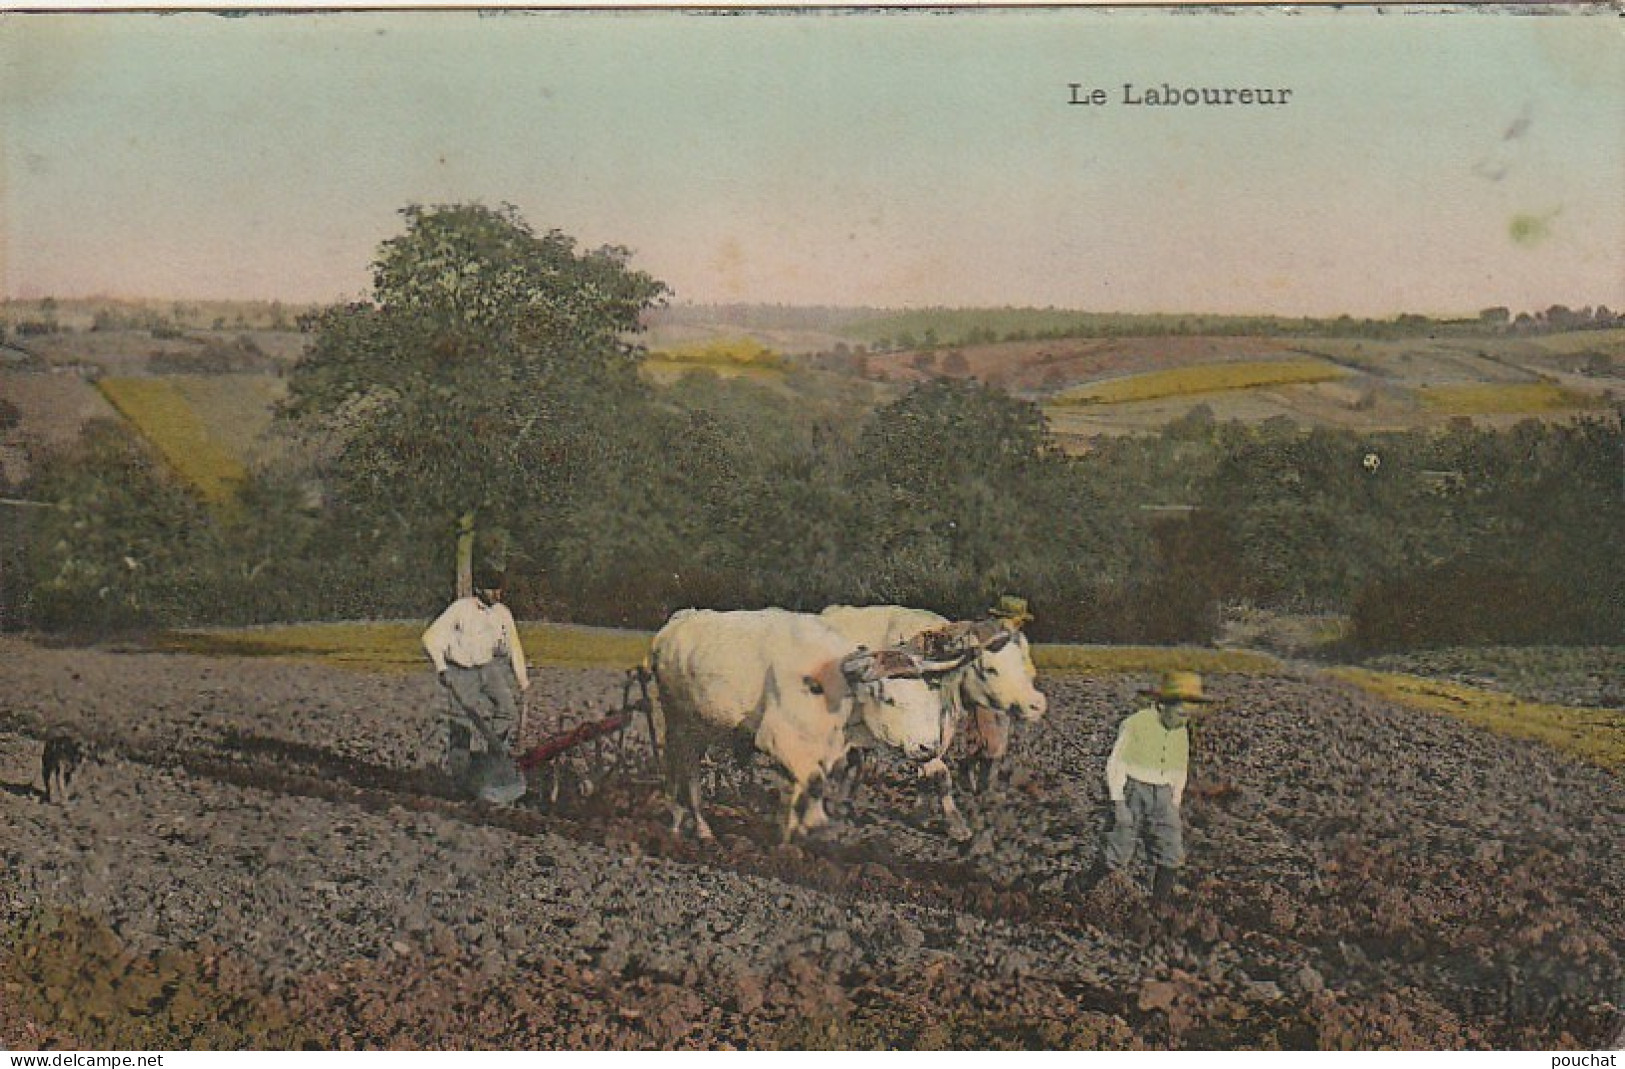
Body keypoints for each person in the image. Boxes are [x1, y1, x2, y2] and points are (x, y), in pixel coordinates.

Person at [1101, 670, 1215, 904]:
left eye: (1188, 714)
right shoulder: (1135, 724)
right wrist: (1118, 802)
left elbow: (1179, 769)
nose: (1184, 719)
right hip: (1133, 790)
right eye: (1180, 712)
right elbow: (1116, 763)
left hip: (1163, 794)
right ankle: (1085, 890)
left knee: (1170, 851)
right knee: (1117, 850)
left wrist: (1174, 802)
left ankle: (1158, 906)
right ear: (1163, 706)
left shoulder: (1181, 730)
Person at [421, 569, 530, 786]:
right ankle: (459, 777)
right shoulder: (460, 609)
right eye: (492, 590)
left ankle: (495, 757)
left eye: (499, 590)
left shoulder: (502, 614)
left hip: (487, 668)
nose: (497, 595)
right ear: (479, 590)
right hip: (460, 670)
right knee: (462, 722)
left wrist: (523, 681)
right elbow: (430, 638)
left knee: (507, 710)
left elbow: (514, 647)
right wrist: (442, 668)